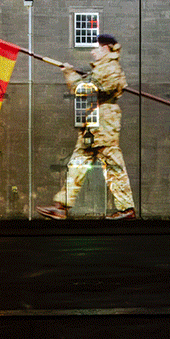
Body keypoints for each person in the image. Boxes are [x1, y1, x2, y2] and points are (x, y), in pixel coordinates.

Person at [37, 34, 136, 220]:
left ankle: (127, 209)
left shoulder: (110, 68)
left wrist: (70, 74)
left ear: (106, 48)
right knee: (77, 164)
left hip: (104, 124)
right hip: (94, 122)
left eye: (95, 48)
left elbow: (85, 91)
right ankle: (61, 206)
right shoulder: (103, 68)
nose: (92, 51)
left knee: (113, 166)